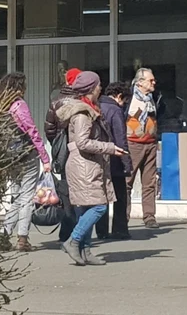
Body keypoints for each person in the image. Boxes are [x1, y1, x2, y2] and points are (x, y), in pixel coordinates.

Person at [57, 71, 127, 266]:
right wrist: (110, 148)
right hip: (84, 165)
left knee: (87, 206)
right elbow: (82, 142)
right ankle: (74, 240)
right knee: (99, 206)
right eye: (98, 85)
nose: (100, 88)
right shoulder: (82, 113)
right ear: (90, 89)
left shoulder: (89, 109)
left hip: (88, 164)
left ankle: (85, 250)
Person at [1, 72, 52, 252]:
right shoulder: (19, 105)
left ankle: (3, 235)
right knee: (26, 197)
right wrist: (45, 158)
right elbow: (32, 131)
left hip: (9, 157)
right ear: (19, 88)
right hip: (26, 155)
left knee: (14, 196)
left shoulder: (0, 107)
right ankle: (22, 238)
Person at [44, 67, 81, 243]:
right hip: (80, 151)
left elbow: (49, 128)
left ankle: (66, 230)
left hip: (63, 151)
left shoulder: (56, 101)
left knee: (65, 189)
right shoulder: (82, 101)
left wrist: (57, 143)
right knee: (81, 189)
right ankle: (78, 230)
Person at [125, 67, 161, 230]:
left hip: (150, 143)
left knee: (149, 183)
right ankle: (123, 218)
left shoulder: (152, 98)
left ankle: (149, 217)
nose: (154, 82)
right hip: (133, 144)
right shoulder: (129, 99)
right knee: (127, 182)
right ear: (140, 82)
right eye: (150, 80)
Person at [96, 82, 133, 240]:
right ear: (119, 96)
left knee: (102, 195)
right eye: (124, 100)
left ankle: (101, 231)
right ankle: (119, 230)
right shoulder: (115, 110)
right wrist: (127, 162)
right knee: (119, 195)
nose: (124, 104)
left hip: (99, 156)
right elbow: (120, 138)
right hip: (114, 158)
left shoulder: (96, 105)